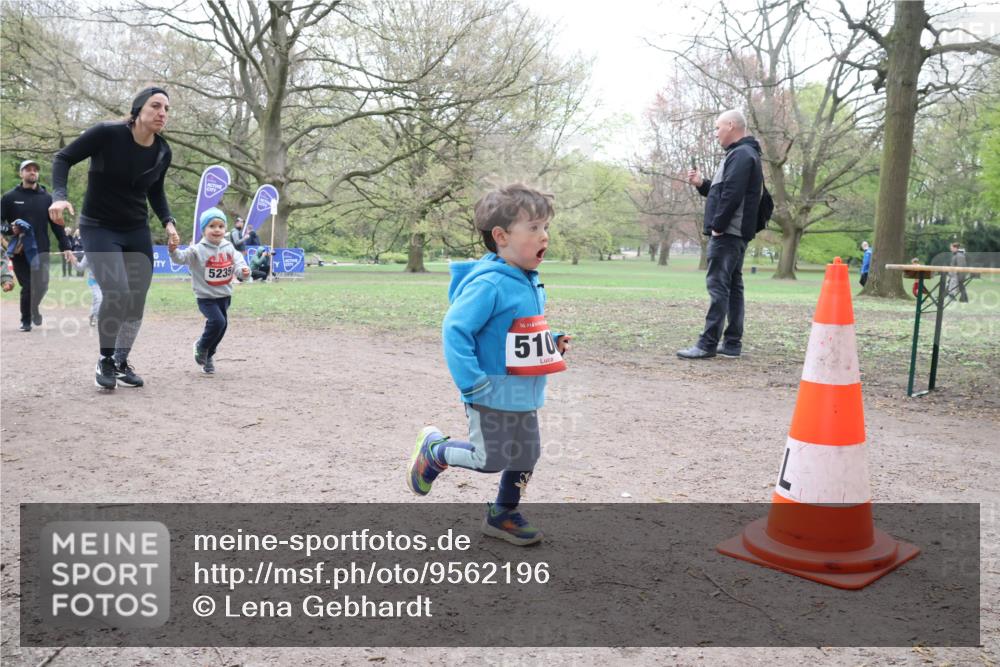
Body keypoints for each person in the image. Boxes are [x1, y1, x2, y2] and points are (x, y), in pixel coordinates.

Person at [406, 184, 572, 546]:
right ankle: (435, 452)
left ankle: (503, 514)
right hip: (488, 390)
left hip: (523, 390)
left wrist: (552, 340)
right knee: (489, 459)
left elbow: (517, 329)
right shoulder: (489, 284)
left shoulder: (527, 280)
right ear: (501, 236)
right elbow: (455, 330)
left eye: (546, 227)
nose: (545, 236)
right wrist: (473, 383)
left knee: (528, 454)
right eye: (534, 228)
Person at [49, 86, 181, 389]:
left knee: (136, 297)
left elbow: (155, 190)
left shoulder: (163, 151)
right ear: (138, 109)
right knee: (117, 291)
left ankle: (121, 361)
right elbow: (63, 158)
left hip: (136, 228)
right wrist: (59, 197)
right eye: (155, 106)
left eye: (166, 109)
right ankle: (105, 359)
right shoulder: (107, 134)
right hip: (99, 226)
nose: (162, 113)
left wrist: (168, 222)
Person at [678, 109, 764, 360]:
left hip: (728, 233)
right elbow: (724, 191)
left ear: (731, 125)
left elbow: (732, 195)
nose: (715, 133)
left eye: (717, 128)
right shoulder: (744, 154)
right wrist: (702, 184)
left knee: (718, 287)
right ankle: (732, 343)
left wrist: (718, 225)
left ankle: (707, 344)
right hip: (735, 232)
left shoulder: (741, 154)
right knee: (733, 287)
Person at [168, 207, 250, 375]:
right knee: (218, 322)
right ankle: (201, 346)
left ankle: (208, 356)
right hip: (206, 297)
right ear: (204, 230)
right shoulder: (197, 249)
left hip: (224, 295)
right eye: (212, 226)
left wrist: (243, 272)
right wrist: (173, 250)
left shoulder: (229, 247)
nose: (217, 230)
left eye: (221, 226)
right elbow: (180, 258)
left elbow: (239, 263)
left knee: (222, 326)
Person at [1, 159, 75, 331]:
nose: (32, 172)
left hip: (41, 250)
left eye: (35, 169)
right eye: (28, 169)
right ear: (21, 173)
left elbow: (57, 226)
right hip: (20, 250)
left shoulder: (47, 198)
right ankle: (25, 320)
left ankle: (34, 309)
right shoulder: (10, 197)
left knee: (42, 286)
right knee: (28, 286)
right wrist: (10, 229)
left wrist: (66, 246)